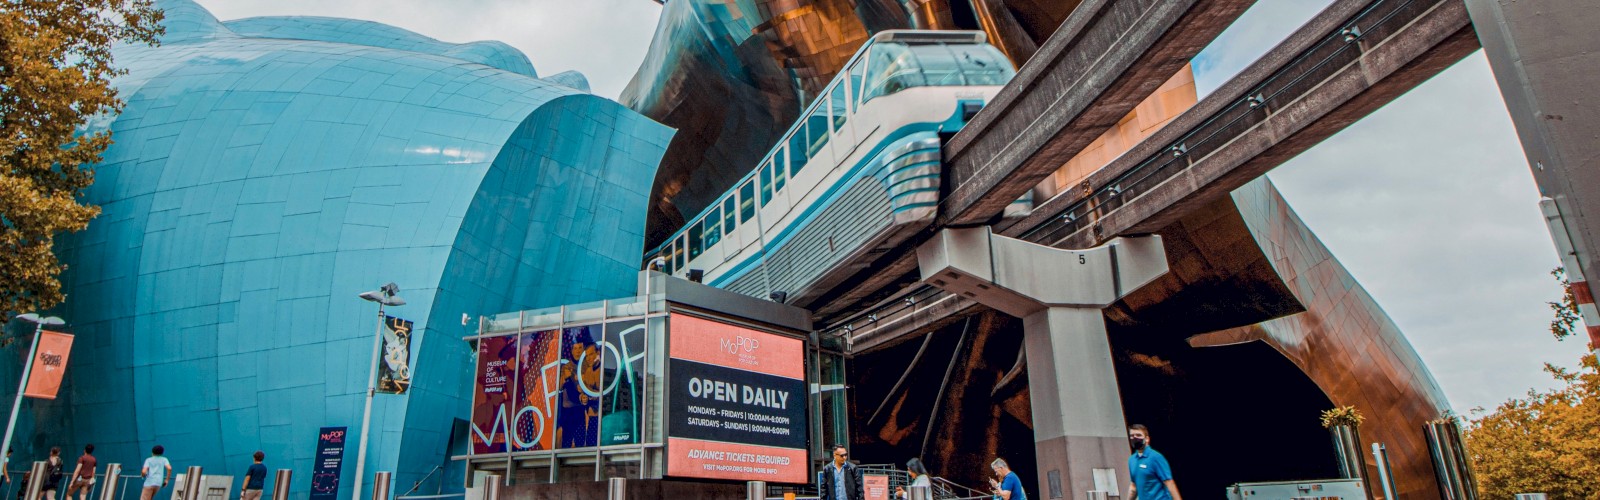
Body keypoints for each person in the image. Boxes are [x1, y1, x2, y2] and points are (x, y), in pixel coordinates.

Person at [1127, 424, 1182, 500]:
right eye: (1132, 436)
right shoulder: (1132, 460)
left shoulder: (1156, 457)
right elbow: (1133, 487)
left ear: (1147, 439)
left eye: (1138, 435)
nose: (1135, 438)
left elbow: (1169, 483)